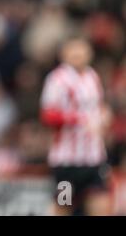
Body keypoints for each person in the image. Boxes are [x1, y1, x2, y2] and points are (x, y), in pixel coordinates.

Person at [40, 36, 112, 215]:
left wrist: (105, 115)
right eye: (73, 50)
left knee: (101, 205)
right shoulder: (57, 79)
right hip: (68, 162)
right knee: (64, 207)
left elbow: (98, 106)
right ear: (64, 54)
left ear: (90, 53)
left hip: (94, 158)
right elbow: (47, 115)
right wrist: (78, 119)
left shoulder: (92, 76)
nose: (78, 54)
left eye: (82, 49)